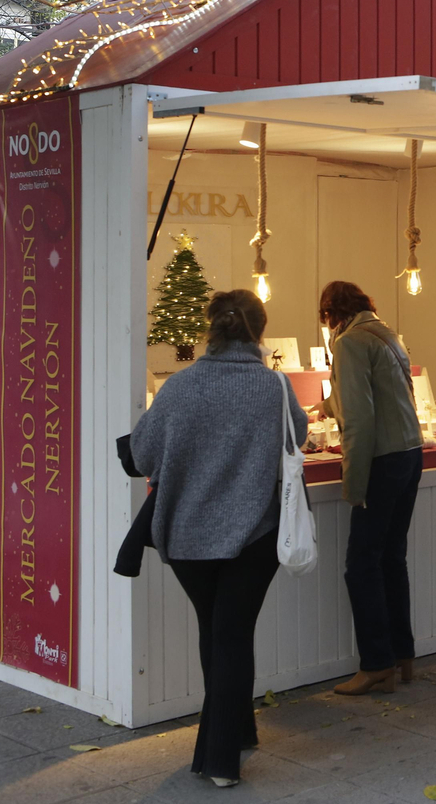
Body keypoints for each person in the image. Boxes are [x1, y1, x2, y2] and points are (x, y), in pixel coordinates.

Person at [131, 291, 307, 787]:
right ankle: (222, 759)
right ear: (259, 332)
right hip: (255, 535)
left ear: (212, 329)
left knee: (218, 631)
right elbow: (298, 433)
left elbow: (144, 456)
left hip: (187, 538)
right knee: (231, 633)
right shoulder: (274, 387)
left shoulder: (179, 387)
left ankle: (237, 732)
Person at [319, 281, 424, 698]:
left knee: (360, 564)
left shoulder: (348, 342)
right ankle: (404, 655)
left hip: (380, 460)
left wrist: (353, 485)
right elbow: (373, 395)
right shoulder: (386, 334)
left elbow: (360, 420)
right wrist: (324, 407)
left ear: (330, 313)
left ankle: (376, 664)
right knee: (392, 559)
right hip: (409, 454)